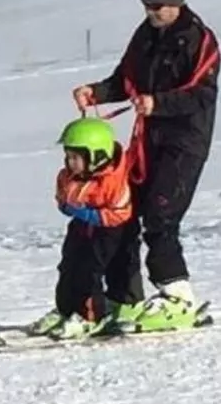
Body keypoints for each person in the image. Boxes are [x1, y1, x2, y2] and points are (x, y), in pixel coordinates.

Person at [72, 0, 221, 332]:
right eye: (146, 5)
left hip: (184, 142)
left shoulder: (199, 39)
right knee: (124, 212)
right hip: (147, 142)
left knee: (160, 216)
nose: (151, 12)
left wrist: (159, 104)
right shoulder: (145, 35)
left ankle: (178, 297)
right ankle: (124, 298)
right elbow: (126, 79)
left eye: (158, 6)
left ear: (176, 3)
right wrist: (97, 91)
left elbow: (202, 93)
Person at [24, 114, 137, 340]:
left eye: (76, 157)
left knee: (89, 270)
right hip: (81, 227)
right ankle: (66, 310)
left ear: (97, 156)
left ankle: (90, 316)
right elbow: (62, 195)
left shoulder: (113, 181)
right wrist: (67, 206)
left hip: (107, 232)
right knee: (68, 267)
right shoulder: (69, 175)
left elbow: (121, 213)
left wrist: (89, 214)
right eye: (68, 156)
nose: (69, 162)